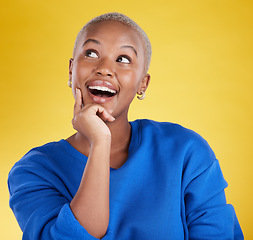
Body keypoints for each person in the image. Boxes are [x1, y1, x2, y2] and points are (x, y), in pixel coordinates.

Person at [8, 12, 244, 240]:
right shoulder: (33, 171)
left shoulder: (186, 151)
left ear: (143, 83)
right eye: (91, 53)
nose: (104, 68)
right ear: (71, 70)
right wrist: (99, 141)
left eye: (123, 59)